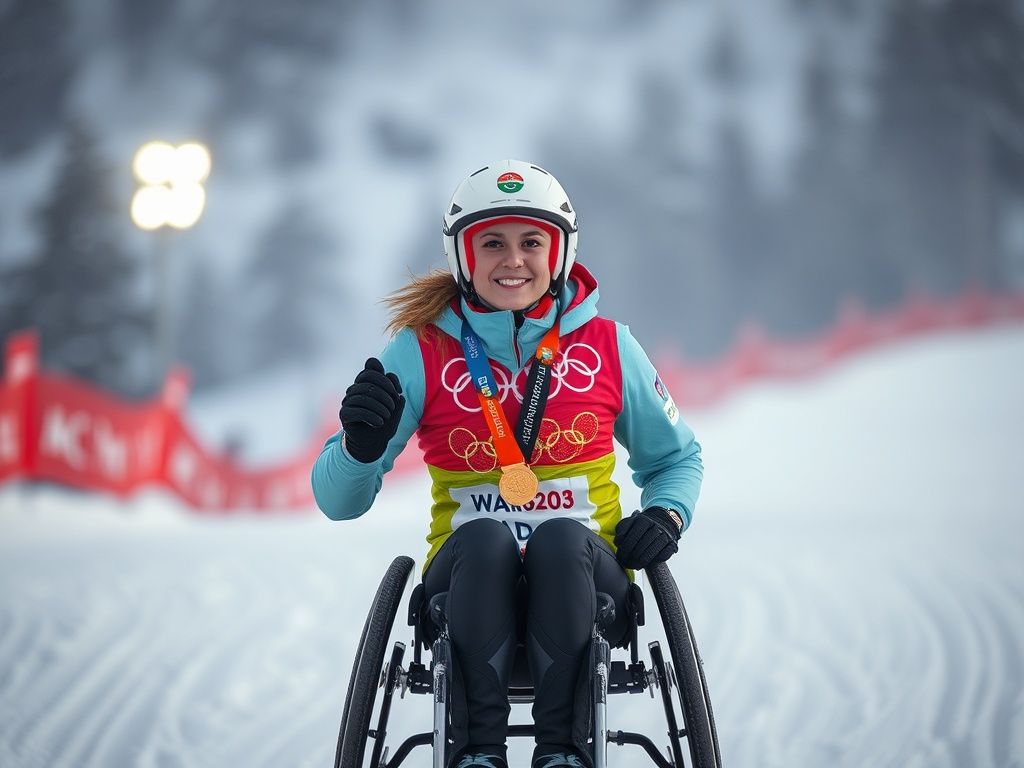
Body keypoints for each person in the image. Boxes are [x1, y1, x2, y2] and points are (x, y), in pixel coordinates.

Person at [312, 159, 703, 768]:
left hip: (586, 578)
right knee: (487, 539)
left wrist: (667, 517)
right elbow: (338, 503)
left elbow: (677, 459)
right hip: (465, 578)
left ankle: (564, 755)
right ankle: (475, 755)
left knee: (559, 540)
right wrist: (357, 450)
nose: (513, 260)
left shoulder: (609, 346)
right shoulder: (420, 350)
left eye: (531, 242)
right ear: (463, 256)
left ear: (560, 253)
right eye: (492, 242)